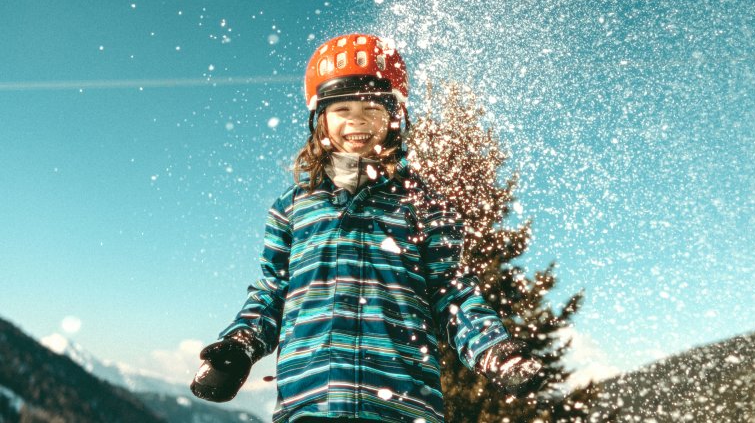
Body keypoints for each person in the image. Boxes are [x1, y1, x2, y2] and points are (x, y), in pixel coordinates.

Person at [190, 33, 546, 422]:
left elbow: (450, 294)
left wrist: (494, 350)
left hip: (402, 405)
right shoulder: (293, 208)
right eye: (342, 107)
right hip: (311, 404)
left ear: (395, 118)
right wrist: (240, 345)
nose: (357, 120)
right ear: (320, 119)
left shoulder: (423, 205)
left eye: (372, 108)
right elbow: (274, 290)